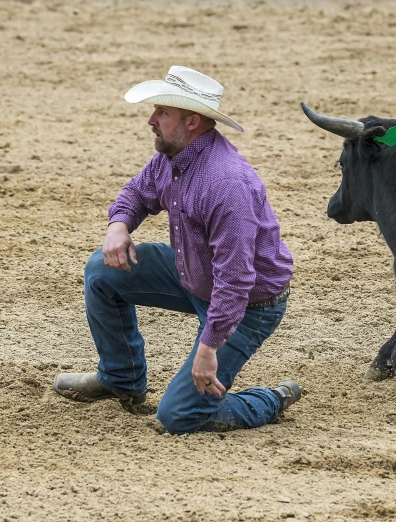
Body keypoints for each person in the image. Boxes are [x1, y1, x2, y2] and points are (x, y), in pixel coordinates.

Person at [53, 66, 300, 433]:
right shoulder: (174, 156)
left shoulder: (226, 184)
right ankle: (121, 379)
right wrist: (118, 227)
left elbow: (236, 281)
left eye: (163, 113)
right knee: (102, 271)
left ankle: (271, 398)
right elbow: (137, 193)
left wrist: (208, 347)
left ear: (192, 122)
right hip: (196, 274)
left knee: (180, 415)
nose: (152, 120)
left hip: (246, 304)